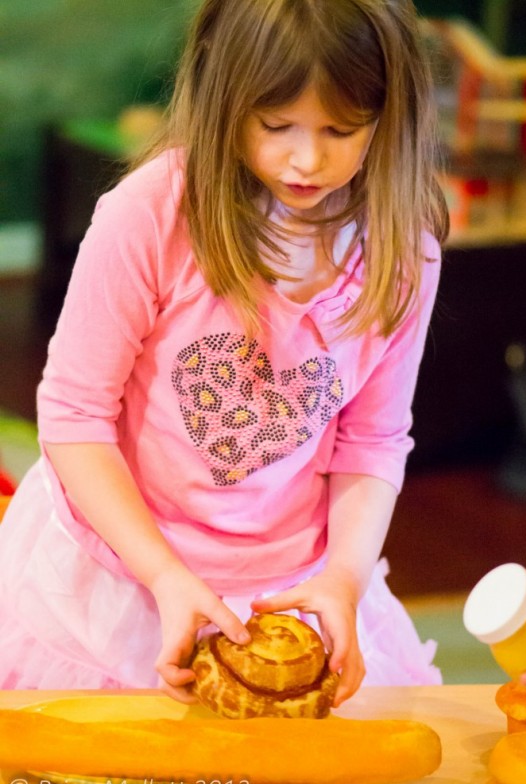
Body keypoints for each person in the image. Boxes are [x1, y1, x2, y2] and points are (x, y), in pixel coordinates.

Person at [0, 0, 448, 705]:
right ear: (224, 97)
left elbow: (374, 439)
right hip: (127, 572)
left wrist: (345, 578)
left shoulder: (404, 252)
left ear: (390, 117)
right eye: (276, 126)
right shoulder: (149, 215)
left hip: (292, 579)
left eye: (342, 128)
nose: (307, 158)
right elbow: (74, 416)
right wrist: (165, 574)